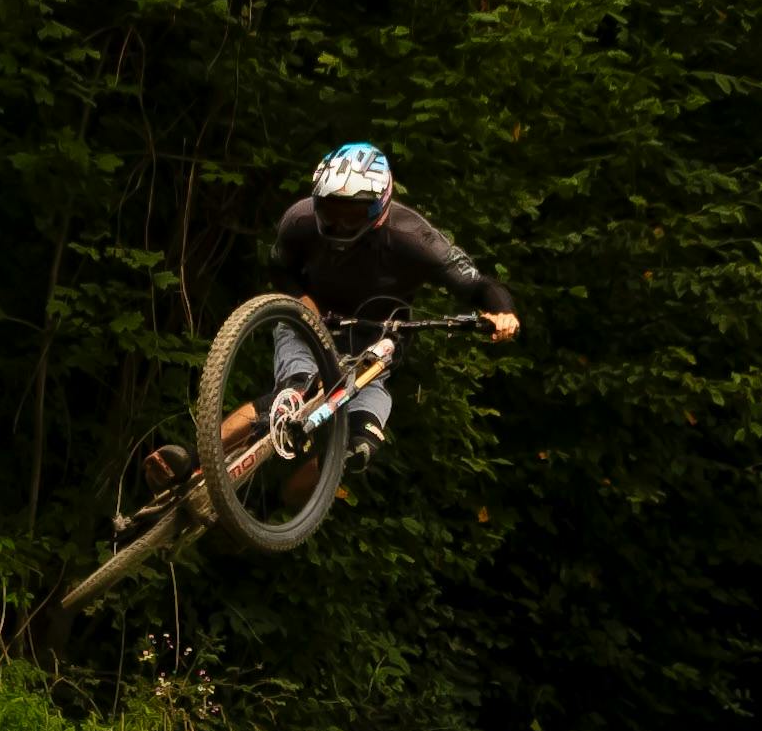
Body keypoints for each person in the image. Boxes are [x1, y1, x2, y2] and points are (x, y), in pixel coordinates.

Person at [144, 142, 518, 499]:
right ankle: (191, 462)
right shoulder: (300, 219)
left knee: (360, 450)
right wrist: (303, 300)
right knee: (296, 390)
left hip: (376, 343)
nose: (340, 224)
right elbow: (279, 268)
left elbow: (478, 283)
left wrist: (502, 312)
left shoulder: (414, 236)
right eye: (330, 210)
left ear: (380, 204)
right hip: (308, 321)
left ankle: (285, 508)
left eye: (353, 214)